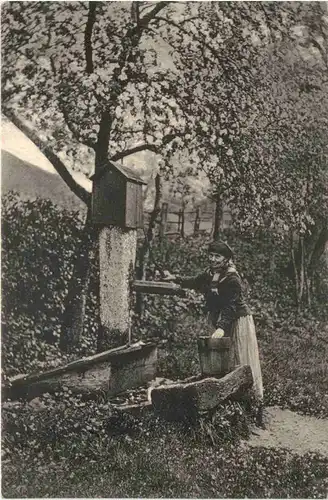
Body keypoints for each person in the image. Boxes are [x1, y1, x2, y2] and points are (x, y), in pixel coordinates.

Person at [164, 239, 264, 408]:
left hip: (237, 320)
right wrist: (176, 278)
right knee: (220, 358)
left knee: (239, 356)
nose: (212, 259)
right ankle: (227, 396)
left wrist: (221, 328)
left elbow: (230, 307)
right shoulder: (212, 273)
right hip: (220, 319)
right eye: (211, 255)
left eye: (217, 256)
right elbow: (195, 281)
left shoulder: (232, 279)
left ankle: (251, 399)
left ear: (226, 259)